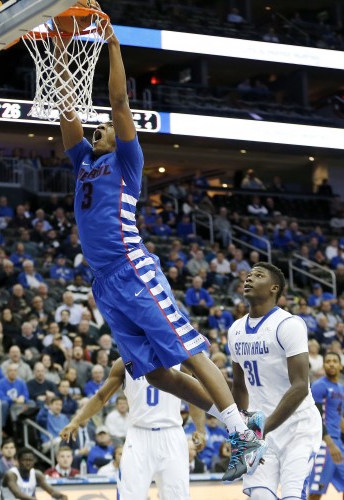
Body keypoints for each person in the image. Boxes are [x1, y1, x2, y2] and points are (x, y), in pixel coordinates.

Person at [55, 20, 266, 481]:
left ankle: (242, 436)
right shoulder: (84, 162)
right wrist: (62, 58)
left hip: (132, 269)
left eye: (107, 127)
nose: (102, 127)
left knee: (189, 353)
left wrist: (111, 46)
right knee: (154, 374)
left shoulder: (127, 160)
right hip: (104, 284)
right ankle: (236, 424)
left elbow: (119, 101)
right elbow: (68, 115)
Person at [227, 261, 323, 494]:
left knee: (292, 494)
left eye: (258, 275)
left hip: (297, 426)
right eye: (248, 275)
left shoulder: (289, 325)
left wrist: (259, 432)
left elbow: (300, 386)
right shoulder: (235, 330)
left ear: (274, 288)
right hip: (260, 427)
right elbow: (239, 386)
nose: (249, 279)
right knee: (260, 495)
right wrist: (241, 431)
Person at [60, 357, 206, 499]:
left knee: (178, 496)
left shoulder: (179, 361)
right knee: (129, 495)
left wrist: (200, 429)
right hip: (139, 435)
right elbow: (101, 396)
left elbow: (194, 397)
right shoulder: (124, 361)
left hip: (172, 433)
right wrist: (77, 420)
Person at [308, 352, 344, 499]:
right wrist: (330, 444)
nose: (331, 364)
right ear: (323, 365)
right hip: (324, 443)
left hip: (337, 443)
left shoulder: (341, 388)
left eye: (334, 361)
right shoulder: (319, 386)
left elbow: (339, 419)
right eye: (328, 361)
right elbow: (316, 418)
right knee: (317, 491)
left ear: (341, 366)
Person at [1, 447, 68, 500]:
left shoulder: (37, 474)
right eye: (25, 460)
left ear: (34, 461)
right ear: (19, 461)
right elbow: (17, 494)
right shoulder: (11, 474)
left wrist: (62, 496)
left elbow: (52, 492)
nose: (28, 463)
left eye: (30, 460)